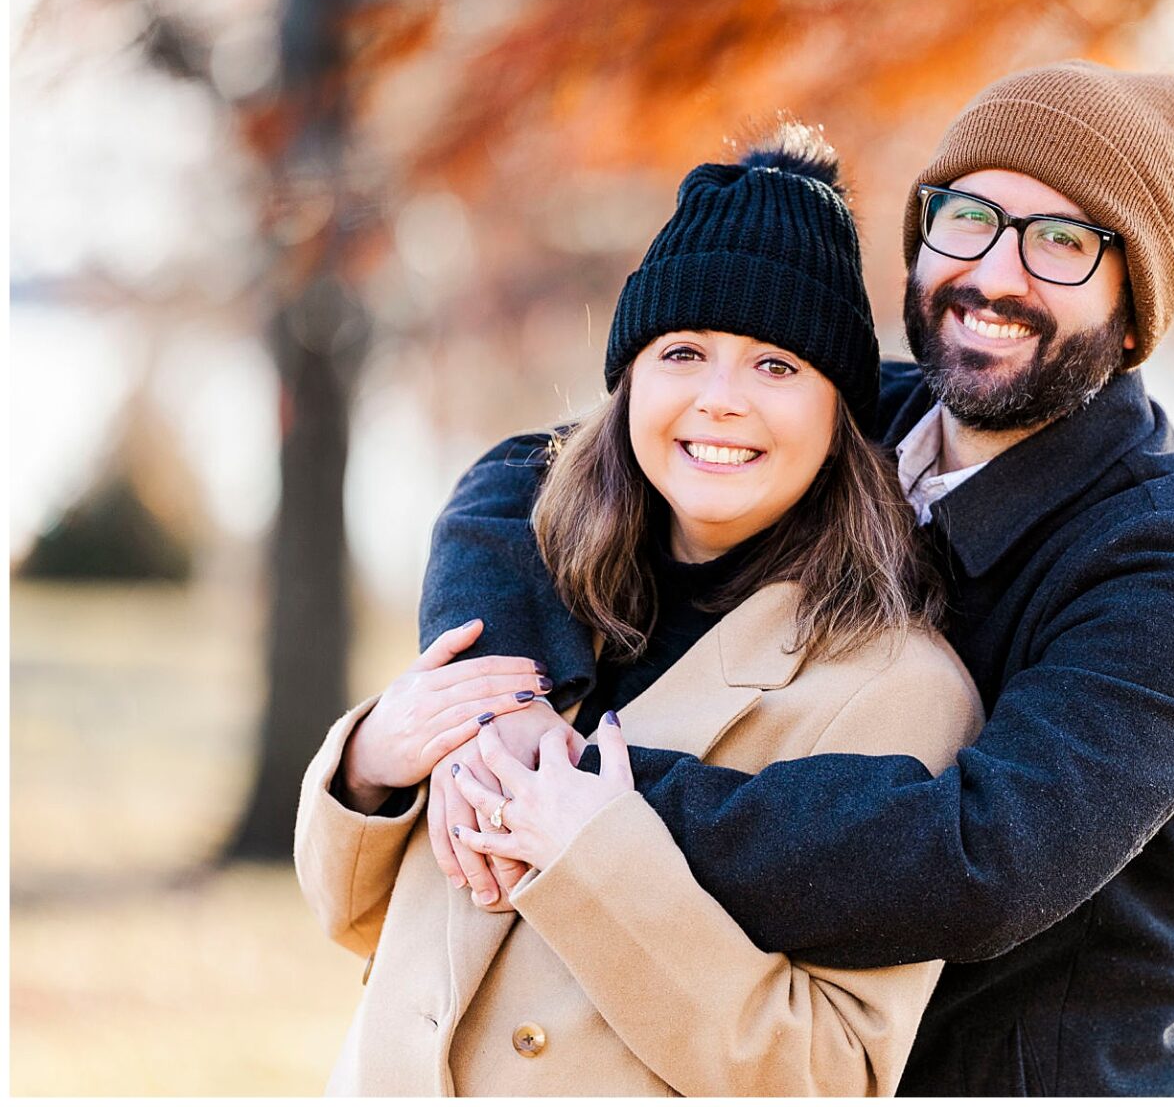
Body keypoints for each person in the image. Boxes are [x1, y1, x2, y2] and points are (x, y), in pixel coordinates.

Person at [419, 63, 1174, 1097]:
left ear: (1135, 318)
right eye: (969, 217)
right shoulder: (863, 422)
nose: (996, 275)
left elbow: (979, 861)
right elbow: (525, 477)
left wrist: (591, 792)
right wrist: (508, 706)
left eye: (1062, 241)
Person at [293, 135, 981, 1096]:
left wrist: (595, 857)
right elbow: (368, 927)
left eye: (777, 367)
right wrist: (372, 769)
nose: (719, 400)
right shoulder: (531, 587)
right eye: (684, 352)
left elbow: (834, 1074)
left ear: (840, 417)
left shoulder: (893, 689)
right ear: (627, 384)